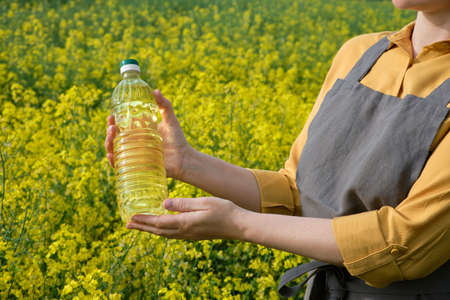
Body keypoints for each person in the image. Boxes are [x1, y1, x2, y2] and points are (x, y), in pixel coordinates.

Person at [105, 0, 450, 298]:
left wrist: (240, 225)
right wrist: (186, 163)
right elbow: (295, 193)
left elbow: (403, 244)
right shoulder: (359, 54)